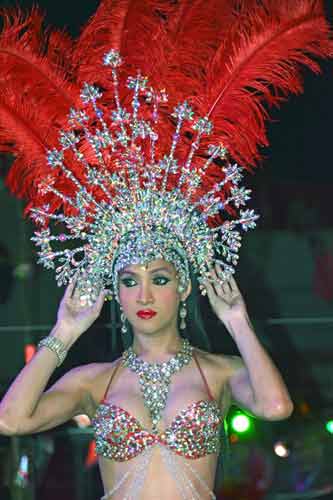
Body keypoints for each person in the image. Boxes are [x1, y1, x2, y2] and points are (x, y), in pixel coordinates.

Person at [0, 1, 331, 498]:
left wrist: (237, 320)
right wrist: (63, 334)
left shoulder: (218, 371)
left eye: (159, 278)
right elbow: (12, 420)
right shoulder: (94, 380)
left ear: (184, 287)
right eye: (129, 280)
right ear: (115, 291)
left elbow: (275, 406)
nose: (144, 293)